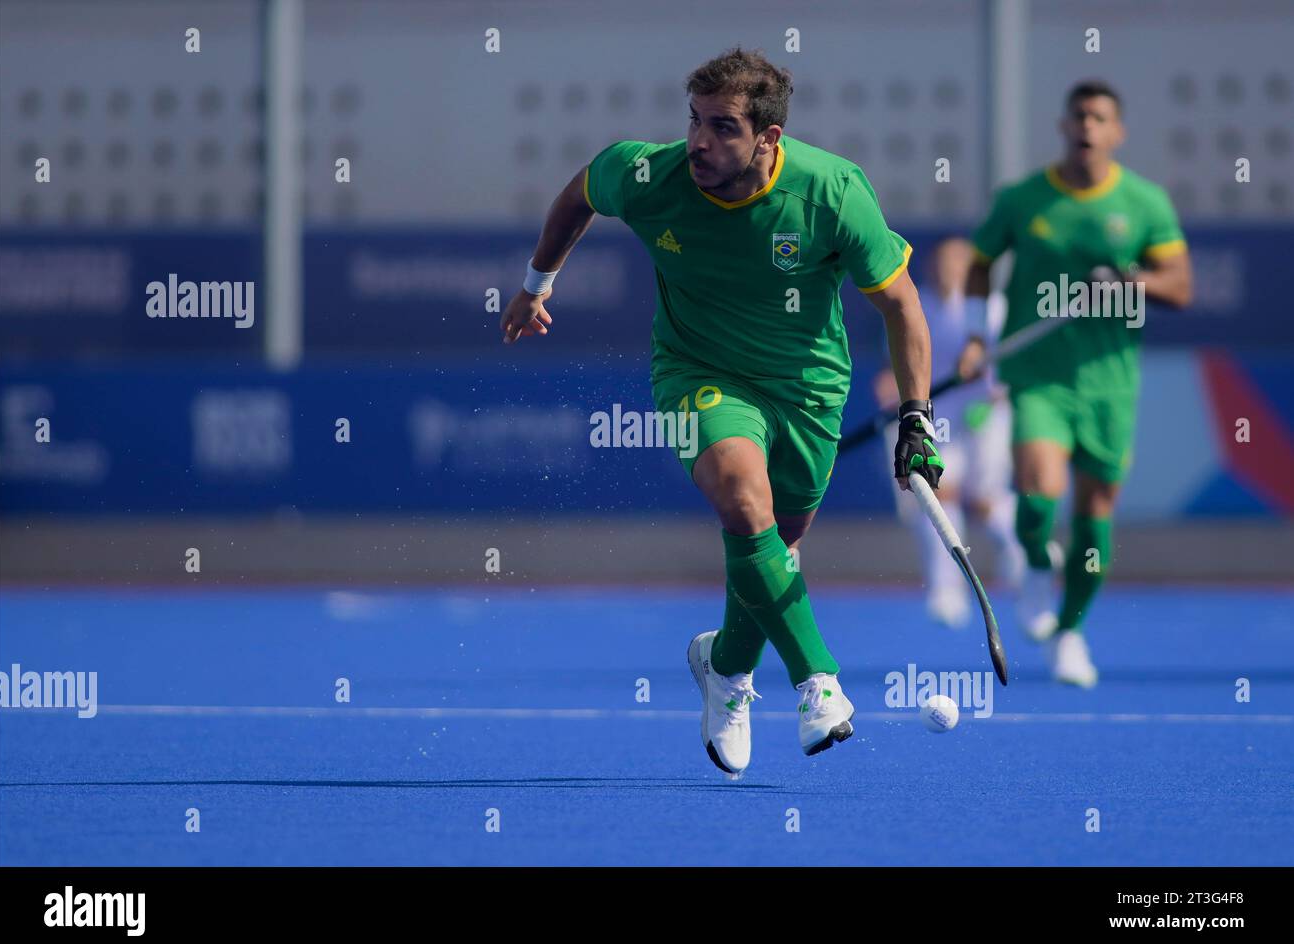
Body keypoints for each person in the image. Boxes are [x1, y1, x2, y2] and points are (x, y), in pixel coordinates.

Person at [499, 48, 942, 777]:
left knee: (773, 545)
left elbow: (901, 305)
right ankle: (818, 682)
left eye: (724, 128)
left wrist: (918, 418)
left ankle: (725, 667)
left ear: (769, 139)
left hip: (807, 390)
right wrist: (536, 282)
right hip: (696, 372)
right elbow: (578, 194)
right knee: (742, 497)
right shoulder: (651, 174)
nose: (699, 142)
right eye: (695, 121)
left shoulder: (832, 190)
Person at [957, 80, 1192, 687]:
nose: (1088, 126)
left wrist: (1130, 283)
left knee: (1094, 516)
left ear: (1117, 132)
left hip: (1110, 385)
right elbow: (980, 264)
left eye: (1100, 118)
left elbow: (1181, 287)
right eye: (1079, 116)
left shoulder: (1144, 203)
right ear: (1063, 126)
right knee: (1037, 494)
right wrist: (981, 334)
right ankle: (1037, 562)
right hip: (1038, 377)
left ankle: (1070, 631)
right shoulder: (1023, 199)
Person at [873, 237, 1025, 629]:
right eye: (940, 264)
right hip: (937, 414)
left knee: (985, 502)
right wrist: (893, 384)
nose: (946, 272)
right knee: (935, 493)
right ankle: (945, 589)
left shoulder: (992, 309)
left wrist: (993, 391)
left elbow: (1010, 365)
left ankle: (1021, 554)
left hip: (986, 415)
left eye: (955, 264)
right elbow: (900, 355)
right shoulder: (914, 303)